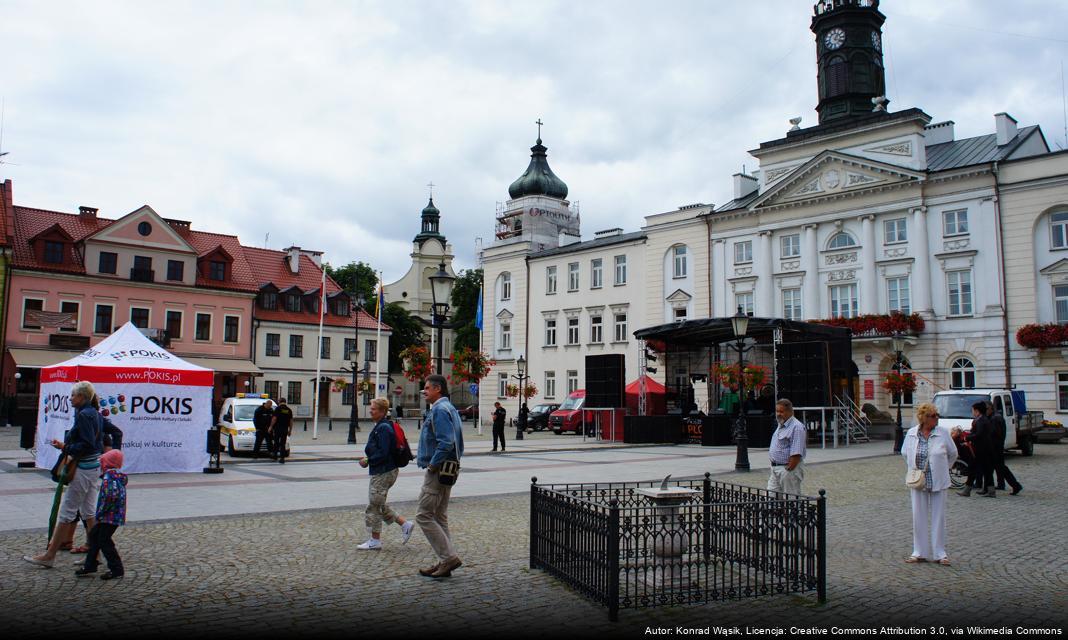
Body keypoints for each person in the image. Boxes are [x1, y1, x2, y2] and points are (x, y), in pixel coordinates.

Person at [24, 380, 104, 568]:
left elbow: (88, 443)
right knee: (89, 511)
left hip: (83, 468)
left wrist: (65, 446)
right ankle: (95, 554)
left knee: (67, 511)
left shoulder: (84, 415)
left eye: (73, 395)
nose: (70, 399)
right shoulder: (94, 413)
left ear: (82, 397)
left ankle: (50, 555)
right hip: (93, 467)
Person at [416, 374, 464, 578]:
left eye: (427, 388)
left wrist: (433, 465)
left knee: (423, 515)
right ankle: (445, 560)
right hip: (449, 469)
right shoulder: (450, 408)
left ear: (437, 389)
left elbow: (446, 442)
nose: (424, 391)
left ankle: (449, 558)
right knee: (439, 516)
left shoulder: (439, 410)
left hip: (438, 470)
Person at [902, 403, 958, 565]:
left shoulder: (942, 433)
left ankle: (940, 553)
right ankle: (919, 552)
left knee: (938, 517)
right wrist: (914, 469)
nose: (937, 418)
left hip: (938, 480)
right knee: (918, 516)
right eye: (933, 416)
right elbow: (905, 453)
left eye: (937, 415)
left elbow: (953, 453)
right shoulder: (912, 433)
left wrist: (944, 468)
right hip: (918, 480)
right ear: (924, 418)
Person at [356, 397, 415, 550]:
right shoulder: (383, 426)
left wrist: (367, 460)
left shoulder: (383, 428)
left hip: (383, 471)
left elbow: (383, 452)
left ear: (382, 411)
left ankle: (375, 541)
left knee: (374, 506)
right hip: (384, 470)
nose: (370, 410)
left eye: (373, 408)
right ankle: (405, 524)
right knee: (378, 503)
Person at [75, 449, 127, 580]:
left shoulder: (109, 479)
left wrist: (100, 513)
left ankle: (116, 568)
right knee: (94, 535)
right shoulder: (117, 476)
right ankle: (90, 564)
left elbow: (111, 496)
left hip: (109, 517)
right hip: (113, 516)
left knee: (103, 540)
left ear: (106, 463)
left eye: (102, 461)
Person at [767, 399, 807, 495]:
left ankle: (792, 510)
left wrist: (789, 469)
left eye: (781, 411)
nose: (778, 414)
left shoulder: (796, 427)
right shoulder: (781, 423)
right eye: (777, 411)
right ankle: (775, 510)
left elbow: (796, 452)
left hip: (787, 469)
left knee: (791, 499)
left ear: (790, 412)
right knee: (770, 498)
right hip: (775, 468)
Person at [987, 401, 1022, 495]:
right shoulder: (995, 417)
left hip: (996, 447)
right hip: (997, 446)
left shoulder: (995, 419)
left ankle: (1015, 485)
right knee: (999, 467)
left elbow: (995, 434)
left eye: (986, 409)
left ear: (990, 408)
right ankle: (1001, 484)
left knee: (1001, 468)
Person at [963, 401, 996, 497]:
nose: (972, 412)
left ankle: (967, 490)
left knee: (974, 469)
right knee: (986, 470)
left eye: (973, 410)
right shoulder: (982, 419)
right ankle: (990, 491)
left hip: (981, 449)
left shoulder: (981, 420)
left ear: (977, 411)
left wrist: (967, 437)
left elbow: (979, 434)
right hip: (983, 449)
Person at [271, 398, 294, 464]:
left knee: (276, 442)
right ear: (285, 402)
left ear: (279, 402)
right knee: (283, 444)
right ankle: (282, 458)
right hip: (285, 429)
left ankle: (275, 456)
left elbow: (274, 419)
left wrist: (271, 426)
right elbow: (291, 421)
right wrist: (290, 430)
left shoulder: (278, 409)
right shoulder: (289, 410)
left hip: (277, 428)